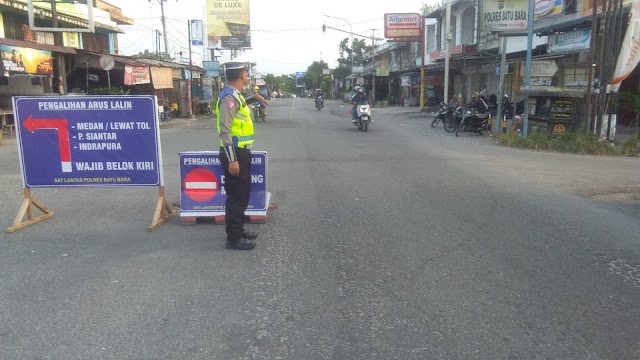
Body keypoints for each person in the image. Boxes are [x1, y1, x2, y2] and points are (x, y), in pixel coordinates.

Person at [216, 62, 258, 250]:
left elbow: (240, 109)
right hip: (234, 154)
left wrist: (254, 98)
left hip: (242, 152)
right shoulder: (229, 98)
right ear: (242, 74)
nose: (247, 75)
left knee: (242, 195)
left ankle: (238, 229)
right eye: (246, 72)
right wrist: (232, 159)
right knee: (236, 198)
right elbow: (225, 131)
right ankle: (233, 238)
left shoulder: (236, 96)